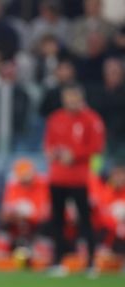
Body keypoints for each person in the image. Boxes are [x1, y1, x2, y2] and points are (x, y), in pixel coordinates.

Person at [44, 84, 104, 276]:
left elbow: (97, 147)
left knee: (85, 220)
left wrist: (75, 155)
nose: (70, 101)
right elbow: (48, 143)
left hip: (80, 179)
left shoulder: (91, 119)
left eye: (74, 98)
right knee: (57, 220)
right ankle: (58, 262)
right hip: (57, 177)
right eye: (67, 98)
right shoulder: (56, 118)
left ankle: (91, 263)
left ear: (81, 98)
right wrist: (52, 153)